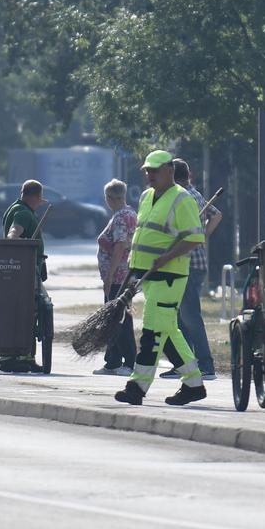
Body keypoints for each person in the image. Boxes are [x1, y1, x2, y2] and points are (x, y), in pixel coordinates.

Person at [112, 150, 209, 407]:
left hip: (170, 276)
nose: (149, 175)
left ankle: (136, 387)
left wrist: (166, 257)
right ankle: (193, 384)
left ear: (169, 171)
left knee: (152, 333)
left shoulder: (182, 199)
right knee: (168, 331)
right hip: (147, 275)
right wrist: (133, 268)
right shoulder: (146, 197)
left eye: (154, 170)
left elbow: (194, 238)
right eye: (147, 170)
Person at [159, 158, 222, 381]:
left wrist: (198, 237)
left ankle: (205, 365)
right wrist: (203, 235)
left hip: (189, 264)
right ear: (190, 174)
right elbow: (216, 215)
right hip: (192, 263)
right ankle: (184, 364)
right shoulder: (194, 194)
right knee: (178, 317)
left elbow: (214, 215)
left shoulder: (183, 196)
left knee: (190, 317)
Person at [1, 180, 52, 373]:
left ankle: (24, 356)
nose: (40, 203)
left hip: (25, 268)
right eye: (39, 200)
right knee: (37, 307)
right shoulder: (22, 213)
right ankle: (18, 355)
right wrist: (17, 244)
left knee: (25, 309)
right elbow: (13, 234)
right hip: (25, 271)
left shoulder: (14, 208)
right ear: (35, 197)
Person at [94, 178, 137, 376]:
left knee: (120, 319)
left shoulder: (121, 217)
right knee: (113, 320)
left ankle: (129, 362)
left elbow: (120, 246)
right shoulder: (130, 213)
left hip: (118, 277)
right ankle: (112, 361)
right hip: (124, 275)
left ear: (109, 198)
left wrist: (109, 276)